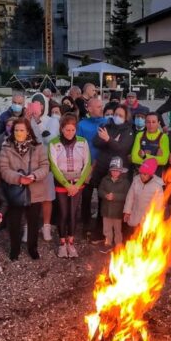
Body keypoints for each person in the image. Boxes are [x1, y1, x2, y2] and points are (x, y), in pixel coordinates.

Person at [0, 117, 49, 261]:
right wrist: (18, 178)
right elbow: (4, 169)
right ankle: (14, 249)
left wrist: (34, 175)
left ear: (28, 131)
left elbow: (45, 166)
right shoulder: (6, 147)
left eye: (22, 130)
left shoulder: (38, 147)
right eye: (16, 130)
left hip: (35, 190)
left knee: (33, 222)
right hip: (15, 191)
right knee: (14, 222)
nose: (19, 133)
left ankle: (33, 248)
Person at [48, 114, 92, 258]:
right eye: (67, 130)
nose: (70, 133)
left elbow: (87, 164)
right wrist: (67, 185)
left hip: (77, 184)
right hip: (62, 183)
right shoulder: (54, 143)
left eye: (73, 130)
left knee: (73, 213)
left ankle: (71, 243)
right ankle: (62, 244)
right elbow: (54, 166)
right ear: (61, 129)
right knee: (63, 213)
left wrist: (77, 185)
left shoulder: (82, 142)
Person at [27, 100, 60, 242]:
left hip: (46, 163)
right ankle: (28, 227)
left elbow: (50, 139)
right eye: (35, 104)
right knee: (30, 197)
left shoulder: (52, 121)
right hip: (30, 163)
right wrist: (27, 118)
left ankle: (46, 226)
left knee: (47, 198)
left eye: (40, 104)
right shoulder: (27, 119)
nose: (38, 107)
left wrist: (38, 121)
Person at [76, 97, 108, 240]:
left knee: (102, 197)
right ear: (89, 108)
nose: (101, 109)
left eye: (101, 106)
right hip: (87, 167)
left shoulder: (107, 122)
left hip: (103, 166)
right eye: (98, 106)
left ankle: (100, 226)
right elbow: (78, 147)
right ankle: (86, 225)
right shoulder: (82, 125)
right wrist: (86, 167)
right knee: (86, 197)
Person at [123, 158, 163, 234]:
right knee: (132, 234)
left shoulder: (157, 186)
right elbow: (130, 197)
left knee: (145, 236)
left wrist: (154, 219)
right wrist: (127, 212)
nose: (142, 176)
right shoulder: (136, 181)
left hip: (147, 218)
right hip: (135, 214)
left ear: (151, 174)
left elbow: (158, 205)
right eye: (141, 173)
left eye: (145, 174)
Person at [97, 156, 129, 250]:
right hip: (106, 210)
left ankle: (118, 243)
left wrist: (115, 196)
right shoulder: (105, 180)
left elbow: (126, 195)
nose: (115, 172)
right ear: (110, 170)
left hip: (118, 211)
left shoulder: (125, 182)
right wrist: (105, 195)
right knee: (107, 228)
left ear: (121, 171)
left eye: (117, 171)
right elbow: (100, 191)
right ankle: (108, 243)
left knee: (117, 229)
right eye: (113, 170)